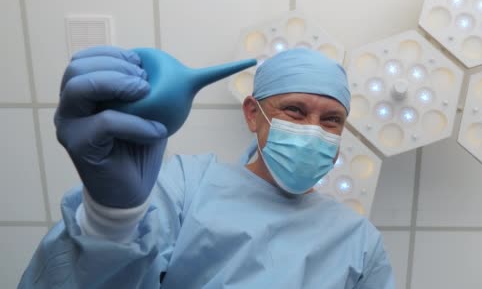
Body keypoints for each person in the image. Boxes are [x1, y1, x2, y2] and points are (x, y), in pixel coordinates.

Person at [18, 46, 395, 288]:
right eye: (294, 111)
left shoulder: (359, 242)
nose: (313, 130)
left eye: (331, 120)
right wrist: (110, 219)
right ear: (253, 113)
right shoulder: (186, 187)